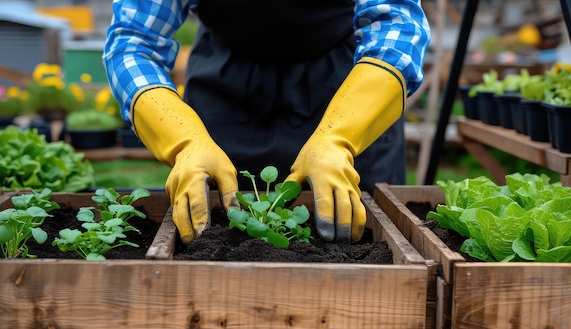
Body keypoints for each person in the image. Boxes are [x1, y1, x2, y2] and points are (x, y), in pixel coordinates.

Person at [103, 0, 431, 245]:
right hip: (225, 91)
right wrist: (184, 140)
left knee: (361, 240)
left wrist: (340, 138)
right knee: (217, 238)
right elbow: (134, 42)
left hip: (343, 86)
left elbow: (397, 27)